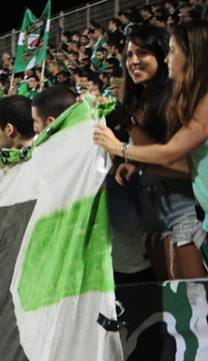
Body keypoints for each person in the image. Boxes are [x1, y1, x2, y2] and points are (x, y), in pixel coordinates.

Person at [94, 20, 208, 274]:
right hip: (153, 206)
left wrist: (124, 139)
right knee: (174, 290)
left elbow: (172, 156)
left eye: (143, 52)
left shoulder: (182, 99)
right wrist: (136, 164)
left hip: (182, 207)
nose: (134, 61)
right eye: (129, 55)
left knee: (193, 291)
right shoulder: (140, 99)